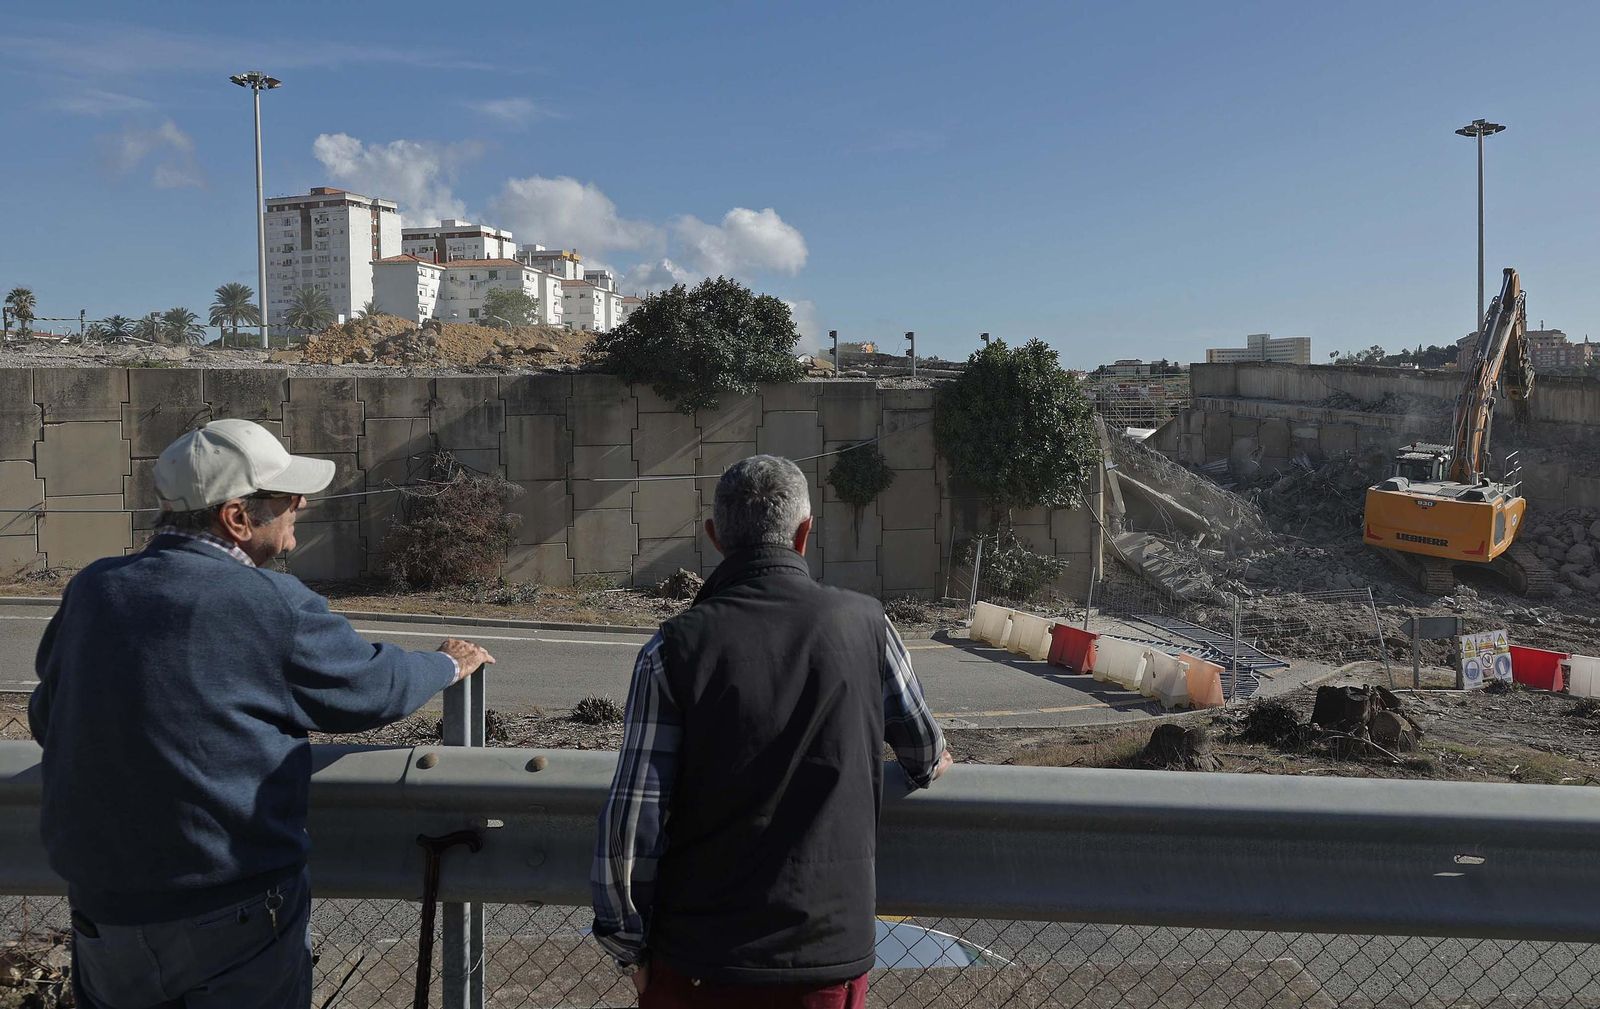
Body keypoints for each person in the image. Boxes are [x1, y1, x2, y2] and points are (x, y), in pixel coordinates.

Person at [29, 418, 496, 1009]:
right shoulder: (269, 603)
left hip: (104, 911)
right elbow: (370, 690)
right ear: (237, 518)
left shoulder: (96, 588)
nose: (300, 503)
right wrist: (445, 665)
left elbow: (48, 717)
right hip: (228, 910)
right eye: (285, 497)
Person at [592, 454, 951, 1008]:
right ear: (805, 533)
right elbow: (923, 752)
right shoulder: (868, 625)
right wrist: (928, 762)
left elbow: (630, 826)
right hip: (826, 959)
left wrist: (629, 949)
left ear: (714, 537)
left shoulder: (672, 650)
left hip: (698, 964)